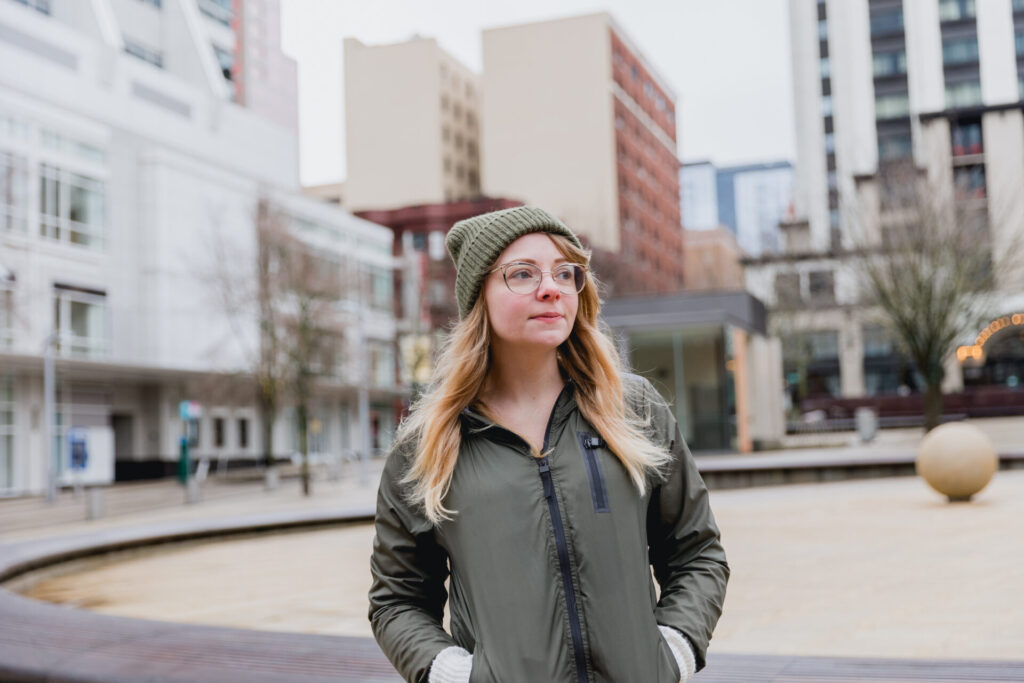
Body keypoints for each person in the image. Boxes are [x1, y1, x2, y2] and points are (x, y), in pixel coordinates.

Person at [369, 206, 729, 683]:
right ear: (480, 297)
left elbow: (698, 553)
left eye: (565, 273)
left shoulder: (632, 410)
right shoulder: (429, 440)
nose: (551, 288)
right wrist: (452, 674)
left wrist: (677, 649)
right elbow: (396, 600)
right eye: (522, 274)